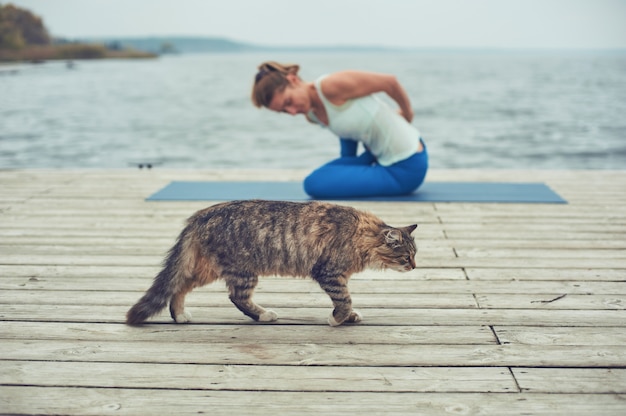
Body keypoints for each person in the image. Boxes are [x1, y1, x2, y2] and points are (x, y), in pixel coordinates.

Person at [251, 61, 428, 199]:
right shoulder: (312, 115)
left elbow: (389, 82)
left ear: (293, 80)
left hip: (406, 167)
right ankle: (364, 160)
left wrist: (407, 113)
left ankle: (364, 161)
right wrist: (347, 162)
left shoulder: (330, 86)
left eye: (288, 102)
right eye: (283, 111)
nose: (291, 112)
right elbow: (347, 130)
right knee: (319, 177)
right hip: (380, 160)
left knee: (313, 184)